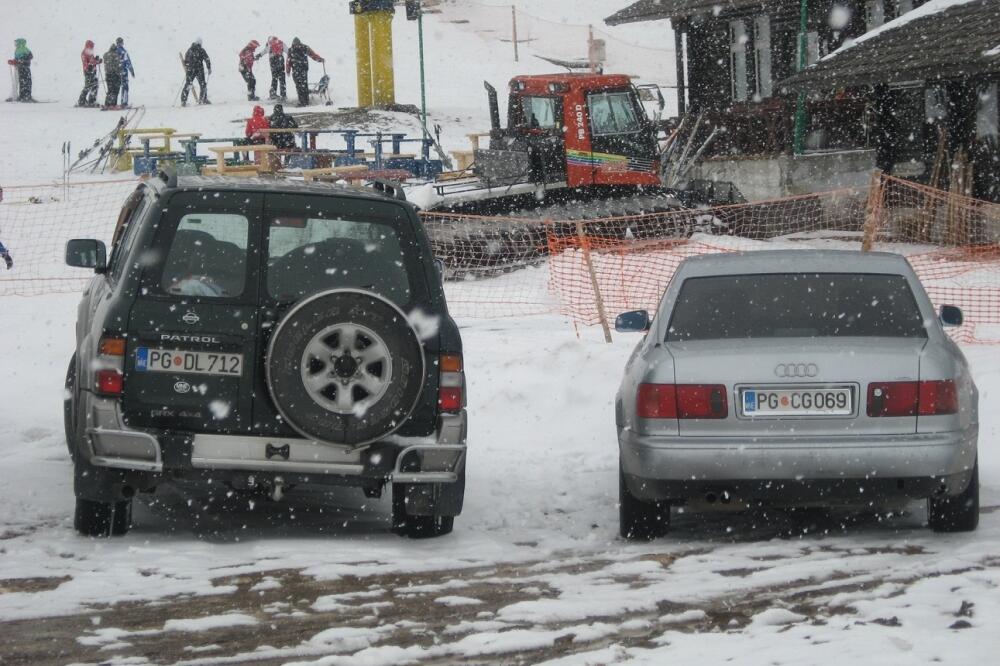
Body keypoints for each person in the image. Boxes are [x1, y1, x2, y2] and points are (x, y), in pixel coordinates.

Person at [286, 37, 323, 107]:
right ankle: (302, 101)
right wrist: (288, 70)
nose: (297, 46)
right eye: (295, 44)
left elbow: (313, 54)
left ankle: (305, 101)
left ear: (300, 43)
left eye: (298, 44)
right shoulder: (291, 50)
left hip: (303, 70)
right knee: (299, 87)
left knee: (304, 86)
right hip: (296, 71)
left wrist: (319, 59)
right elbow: (288, 61)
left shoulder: (305, 48)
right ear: (293, 44)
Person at [181, 38, 211, 106]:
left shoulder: (189, 50)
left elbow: (186, 60)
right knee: (203, 84)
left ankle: (183, 101)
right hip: (199, 69)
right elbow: (207, 58)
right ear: (200, 44)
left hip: (190, 70)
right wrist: (209, 67)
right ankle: (203, 99)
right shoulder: (201, 50)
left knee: (188, 85)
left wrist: (187, 65)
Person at [76, 40, 101, 107]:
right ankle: (82, 100)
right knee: (88, 86)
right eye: (92, 46)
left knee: (94, 85)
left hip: (92, 71)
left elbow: (92, 61)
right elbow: (85, 62)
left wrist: (97, 61)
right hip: (88, 72)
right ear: (89, 45)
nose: (93, 47)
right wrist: (89, 66)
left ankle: (91, 100)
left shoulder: (90, 52)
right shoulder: (84, 52)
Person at [116, 38, 135, 106]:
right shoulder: (123, 51)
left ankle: (116, 101)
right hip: (123, 71)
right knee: (125, 87)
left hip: (116, 72)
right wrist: (131, 71)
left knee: (118, 87)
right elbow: (127, 62)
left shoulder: (114, 51)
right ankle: (124, 102)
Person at [266, 36, 286, 100]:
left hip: (273, 64)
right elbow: (288, 51)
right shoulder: (281, 43)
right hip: (280, 63)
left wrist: (258, 56)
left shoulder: (269, 44)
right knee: (282, 79)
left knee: (274, 79)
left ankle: (273, 94)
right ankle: (283, 95)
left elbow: (263, 52)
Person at [102, 43, 121, 109]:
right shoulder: (116, 55)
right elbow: (117, 66)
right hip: (115, 75)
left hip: (108, 74)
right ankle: (113, 104)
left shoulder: (105, 54)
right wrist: (119, 74)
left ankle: (107, 104)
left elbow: (105, 63)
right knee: (115, 90)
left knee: (110, 90)